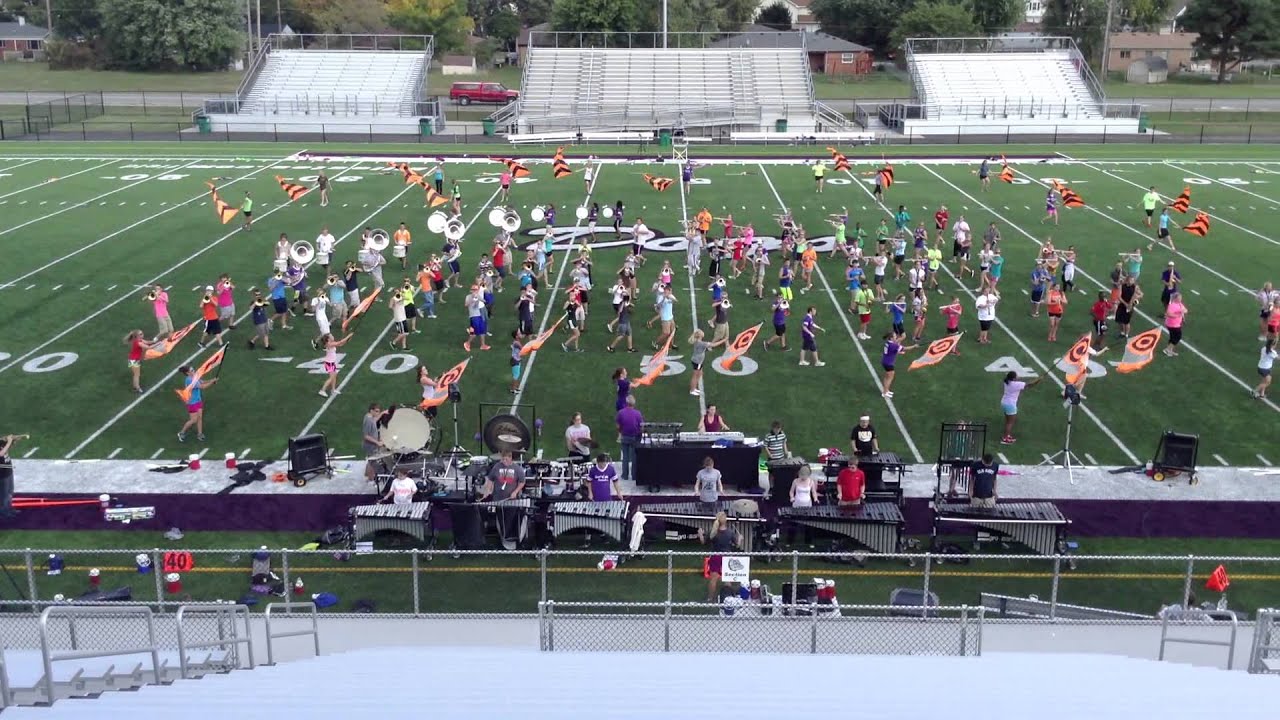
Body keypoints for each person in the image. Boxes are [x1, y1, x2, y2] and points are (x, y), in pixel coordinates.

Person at [701, 511, 739, 603]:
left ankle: (710, 599)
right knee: (728, 579)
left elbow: (703, 542)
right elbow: (737, 545)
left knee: (713, 579)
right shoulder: (730, 532)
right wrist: (740, 539)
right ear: (725, 520)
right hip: (727, 557)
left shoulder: (713, 532)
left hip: (716, 557)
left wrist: (700, 534)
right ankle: (728, 600)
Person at [176, 364, 218, 443]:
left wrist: (211, 380)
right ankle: (181, 432)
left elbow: (202, 382)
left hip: (198, 400)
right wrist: (212, 382)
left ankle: (200, 434)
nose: (194, 371)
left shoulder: (194, 377)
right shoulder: (189, 380)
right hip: (192, 402)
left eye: (193, 369)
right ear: (188, 373)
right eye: (192, 371)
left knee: (199, 417)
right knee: (193, 420)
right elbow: (202, 387)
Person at [1000, 371, 1043, 444]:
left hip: (1004, 403)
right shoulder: (1016, 384)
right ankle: (1005, 438)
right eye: (1016, 376)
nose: (1017, 376)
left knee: (1008, 421)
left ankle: (1006, 435)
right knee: (1010, 423)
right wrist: (1039, 379)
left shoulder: (1006, 382)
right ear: (1013, 378)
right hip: (1010, 405)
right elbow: (1030, 385)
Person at [880, 333, 918, 398]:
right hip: (889, 363)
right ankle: (885, 392)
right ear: (891, 338)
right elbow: (905, 348)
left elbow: (892, 351)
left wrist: (898, 351)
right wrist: (914, 346)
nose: (896, 337)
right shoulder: (893, 345)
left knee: (887, 376)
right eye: (894, 336)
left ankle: (886, 390)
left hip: (885, 361)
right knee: (890, 377)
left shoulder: (888, 343)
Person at [616, 394, 643, 482]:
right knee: (634, 457)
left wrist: (620, 432)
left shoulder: (621, 412)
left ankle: (625, 475)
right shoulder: (637, 413)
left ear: (626, 403)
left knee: (625, 457)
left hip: (625, 437)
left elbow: (618, 425)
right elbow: (641, 426)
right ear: (633, 404)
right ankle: (634, 475)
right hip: (635, 437)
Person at [317, 333, 353, 397]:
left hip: (331, 362)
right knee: (331, 378)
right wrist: (348, 336)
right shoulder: (329, 344)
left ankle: (333, 389)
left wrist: (347, 340)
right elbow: (340, 342)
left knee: (335, 375)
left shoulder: (330, 343)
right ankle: (322, 390)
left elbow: (340, 344)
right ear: (328, 339)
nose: (332, 336)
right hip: (329, 363)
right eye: (330, 336)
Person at [1115, 275, 1143, 339]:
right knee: (1119, 320)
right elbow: (1119, 297)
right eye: (1130, 280)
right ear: (1127, 280)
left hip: (1130, 306)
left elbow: (1141, 294)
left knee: (1126, 321)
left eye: (1133, 280)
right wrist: (1125, 304)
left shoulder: (1135, 287)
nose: (1132, 281)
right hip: (1122, 305)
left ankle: (1126, 334)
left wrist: (1135, 297)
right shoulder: (1122, 286)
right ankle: (1122, 332)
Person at [362, 403, 384, 483]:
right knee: (372, 461)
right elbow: (366, 436)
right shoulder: (368, 420)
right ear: (371, 410)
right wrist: (377, 442)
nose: (377, 413)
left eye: (379, 411)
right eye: (376, 411)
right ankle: (371, 478)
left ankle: (367, 475)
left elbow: (374, 421)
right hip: (370, 445)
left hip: (372, 444)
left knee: (370, 460)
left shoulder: (370, 417)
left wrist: (382, 414)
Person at [1163, 292, 1187, 357]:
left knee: (1172, 337)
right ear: (1175, 298)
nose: (1181, 298)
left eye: (1181, 297)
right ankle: (1167, 349)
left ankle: (1170, 350)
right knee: (1178, 336)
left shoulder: (1180, 304)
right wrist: (1178, 314)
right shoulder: (1172, 305)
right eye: (1179, 297)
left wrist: (1182, 314)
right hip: (1172, 324)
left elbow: (1185, 310)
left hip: (1177, 324)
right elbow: (1169, 314)